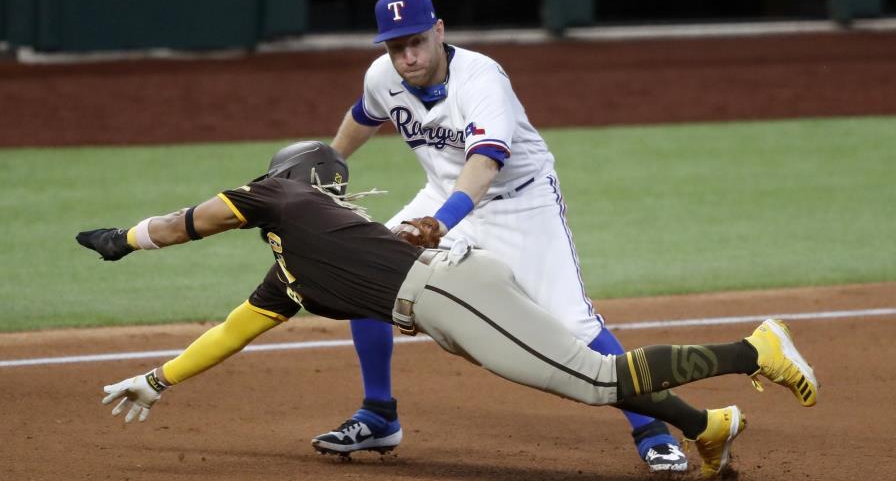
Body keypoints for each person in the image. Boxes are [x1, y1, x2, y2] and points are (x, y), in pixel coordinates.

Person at [78, 142, 818, 479]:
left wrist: (128, 240)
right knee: (581, 375)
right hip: (452, 300)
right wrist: (159, 379)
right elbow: (231, 331)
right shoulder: (291, 271)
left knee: (595, 378)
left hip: (448, 292)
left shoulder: (284, 196)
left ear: (286, 180)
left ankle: (755, 350)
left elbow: (191, 220)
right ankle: (708, 427)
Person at [317, 0, 687, 471]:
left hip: (521, 204)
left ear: (439, 32)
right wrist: (328, 163)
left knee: (573, 324)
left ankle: (653, 430)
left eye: (416, 42)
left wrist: (438, 223)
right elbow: (363, 116)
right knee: (363, 275)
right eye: (396, 46)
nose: (407, 56)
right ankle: (379, 413)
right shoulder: (382, 75)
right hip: (442, 195)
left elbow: (485, 166)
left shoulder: (482, 79)